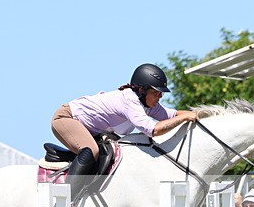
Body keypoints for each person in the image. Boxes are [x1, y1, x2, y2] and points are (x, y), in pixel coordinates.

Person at [50, 63, 198, 192]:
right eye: (155, 92)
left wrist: (202, 115)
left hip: (91, 128)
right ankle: (65, 200)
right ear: (141, 90)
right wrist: (185, 117)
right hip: (66, 118)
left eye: (160, 93)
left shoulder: (146, 103)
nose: (160, 96)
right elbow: (154, 130)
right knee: (91, 150)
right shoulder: (130, 101)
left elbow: (172, 115)